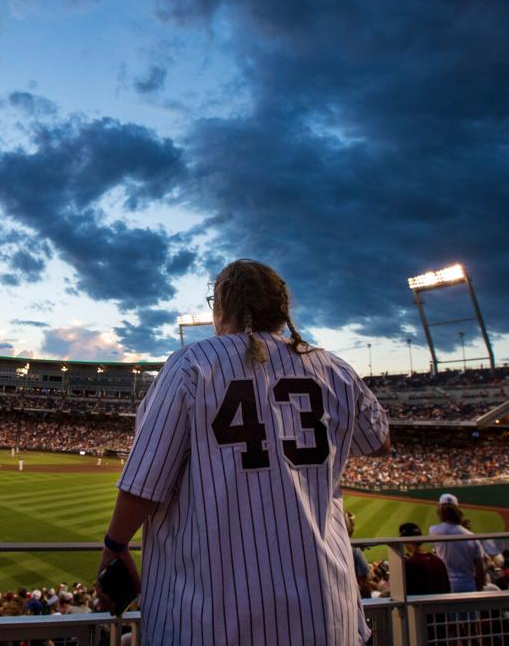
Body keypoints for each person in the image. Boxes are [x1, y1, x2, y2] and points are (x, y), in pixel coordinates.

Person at [97, 259, 390, 645]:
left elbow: (143, 483)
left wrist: (115, 546)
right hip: (327, 616)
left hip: (209, 621)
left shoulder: (192, 365)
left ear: (220, 308)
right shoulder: (334, 368)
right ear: (282, 311)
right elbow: (379, 440)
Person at [428, 494, 486, 592]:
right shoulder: (472, 536)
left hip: (447, 585)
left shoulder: (434, 530)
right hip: (469, 585)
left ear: (440, 511)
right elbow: (480, 570)